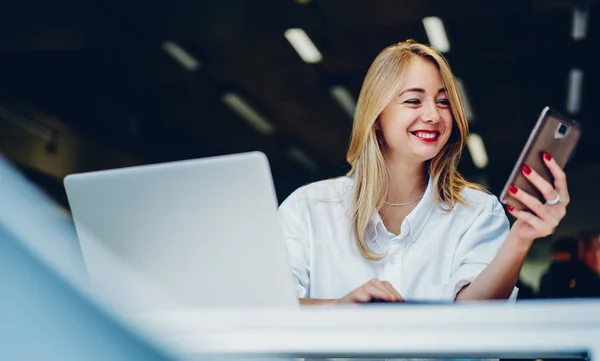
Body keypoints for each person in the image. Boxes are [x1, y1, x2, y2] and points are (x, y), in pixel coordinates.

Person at [278, 39, 571, 305]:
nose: (433, 115)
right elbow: (266, 309)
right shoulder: (307, 209)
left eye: (443, 102)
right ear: (376, 116)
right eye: (413, 100)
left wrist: (522, 237)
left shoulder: (478, 213)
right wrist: (338, 308)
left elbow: (474, 318)